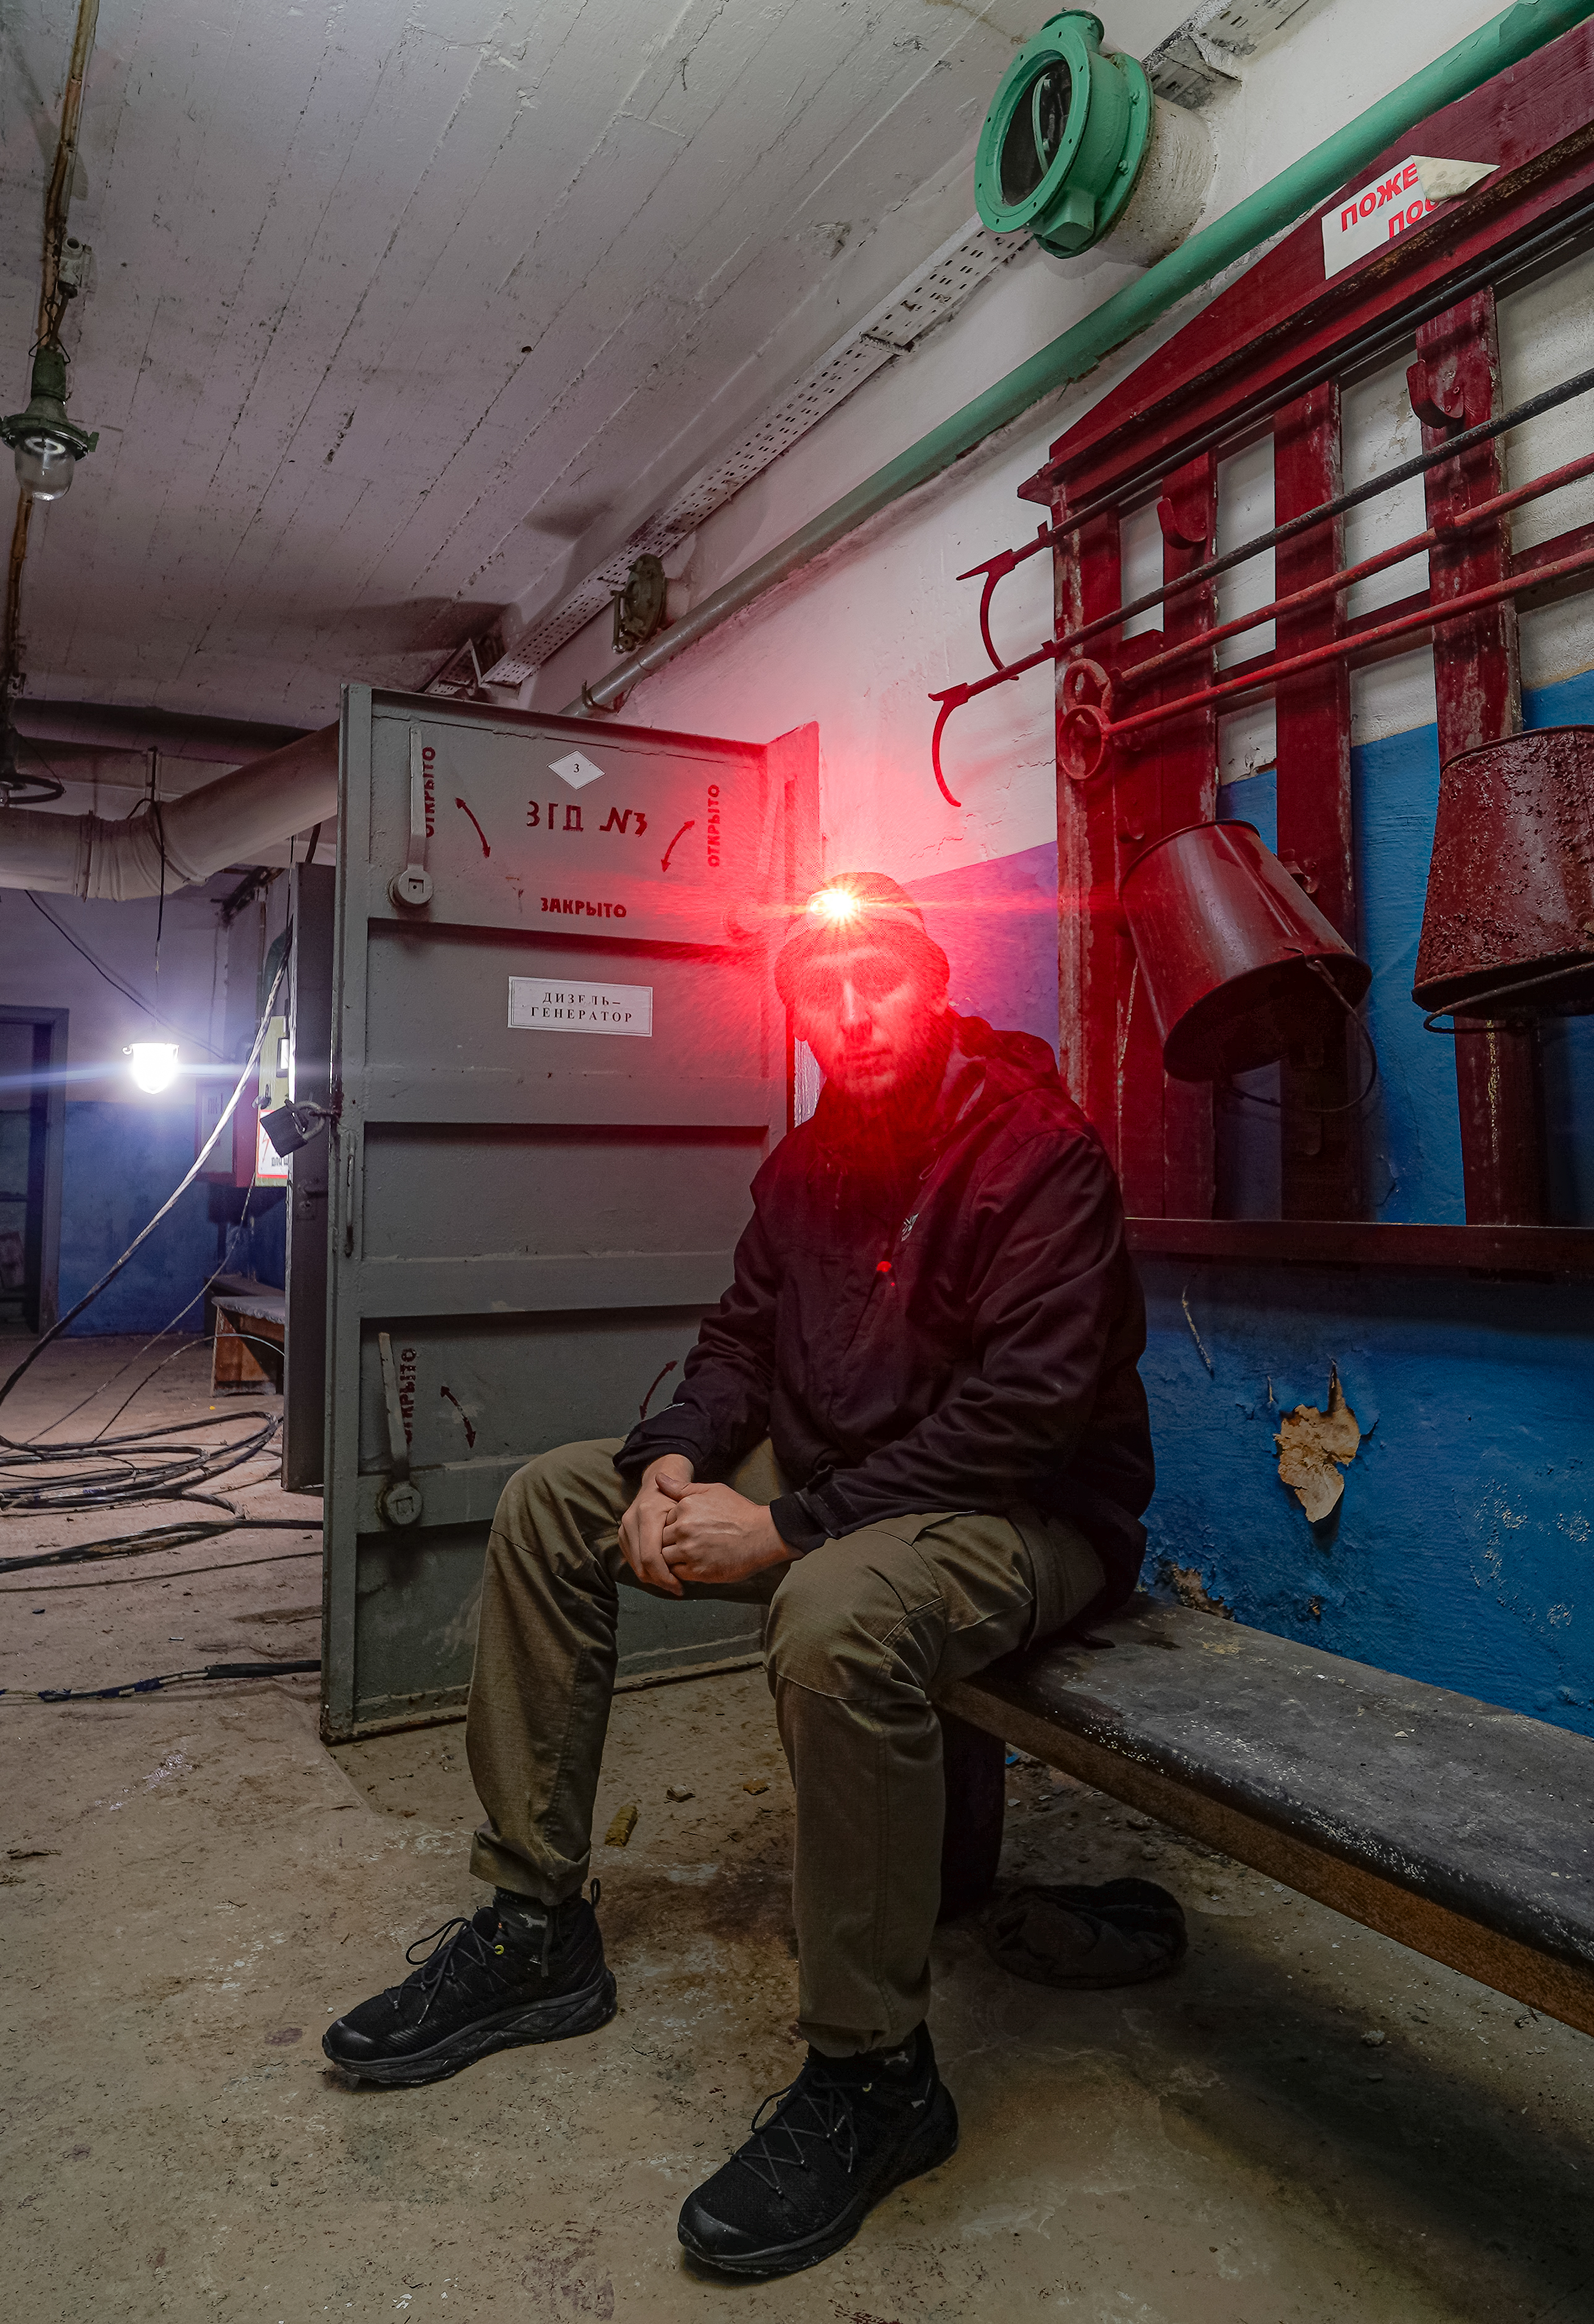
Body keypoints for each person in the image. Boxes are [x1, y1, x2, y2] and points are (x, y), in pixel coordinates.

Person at [322, 872, 1153, 2278]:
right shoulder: (812, 1160)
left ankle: (876, 2074)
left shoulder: (1037, 1150)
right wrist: (668, 1460)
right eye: (819, 992)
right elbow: (738, 1343)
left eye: (876, 979)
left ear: (933, 984)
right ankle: (536, 1924)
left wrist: (782, 1529)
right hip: (847, 1481)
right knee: (546, 1500)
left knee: (834, 1616)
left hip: (1025, 1508)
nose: (849, 1010)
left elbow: (1027, 1413)